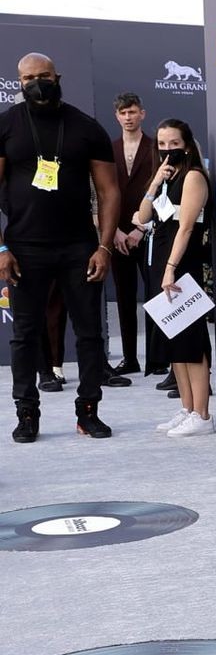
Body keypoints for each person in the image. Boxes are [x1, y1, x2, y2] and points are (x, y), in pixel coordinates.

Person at [0, 51, 118, 442]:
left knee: (89, 334)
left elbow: (109, 191)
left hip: (79, 247)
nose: (37, 83)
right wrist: (1, 250)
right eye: (28, 78)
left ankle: (89, 411)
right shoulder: (7, 125)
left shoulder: (86, 127)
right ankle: (26, 414)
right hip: (23, 248)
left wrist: (104, 247)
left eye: (44, 76)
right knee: (24, 335)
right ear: (19, 82)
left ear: (58, 77)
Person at [131, 119, 215, 437]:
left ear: (187, 145)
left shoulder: (193, 177)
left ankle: (202, 414)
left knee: (191, 340)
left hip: (182, 265)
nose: (167, 150)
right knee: (175, 339)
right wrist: (154, 183)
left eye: (174, 144)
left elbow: (187, 228)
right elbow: (141, 217)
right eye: (162, 144)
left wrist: (170, 267)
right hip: (161, 262)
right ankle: (187, 408)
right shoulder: (167, 178)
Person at [109, 92, 154, 378]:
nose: (128, 117)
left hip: (149, 234)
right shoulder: (109, 149)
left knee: (155, 296)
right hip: (116, 237)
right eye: (123, 113)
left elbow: (162, 193)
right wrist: (113, 231)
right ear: (117, 116)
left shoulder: (155, 148)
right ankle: (129, 358)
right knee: (124, 299)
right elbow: (100, 193)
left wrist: (141, 229)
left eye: (133, 112)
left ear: (142, 114)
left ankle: (157, 358)